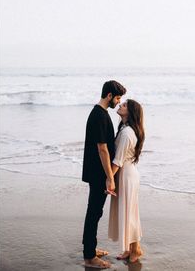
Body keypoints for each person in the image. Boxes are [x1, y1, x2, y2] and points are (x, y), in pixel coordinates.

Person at [82, 80, 126, 269]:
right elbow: (103, 149)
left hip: (96, 172)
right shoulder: (99, 116)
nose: (118, 101)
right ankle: (90, 257)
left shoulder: (100, 113)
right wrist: (109, 176)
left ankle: (90, 249)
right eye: (117, 98)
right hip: (98, 173)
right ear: (109, 95)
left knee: (95, 211)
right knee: (94, 212)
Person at [108, 99, 145, 263]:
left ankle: (136, 248)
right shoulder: (124, 129)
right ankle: (131, 248)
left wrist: (109, 179)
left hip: (126, 176)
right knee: (129, 212)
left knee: (130, 214)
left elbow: (118, 160)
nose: (120, 106)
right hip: (127, 174)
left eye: (124, 105)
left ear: (130, 112)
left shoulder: (127, 133)